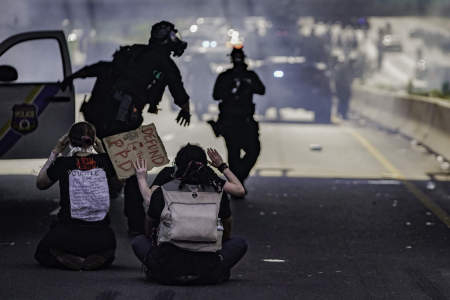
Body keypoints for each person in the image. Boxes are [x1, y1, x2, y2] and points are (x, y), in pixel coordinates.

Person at [61, 20, 192, 235]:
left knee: (98, 165)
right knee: (132, 172)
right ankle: (135, 225)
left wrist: (72, 77)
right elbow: (177, 88)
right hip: (122, 120)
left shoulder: (134, 52)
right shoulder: (163, 62)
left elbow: (103, 68)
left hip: (98, 117)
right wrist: (185, 109)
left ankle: (82, 215)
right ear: (167, 38)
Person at [131, 144, 247, 285]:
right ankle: (212, 271)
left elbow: (149, 222)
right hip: (207, 263)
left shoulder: (164, 189)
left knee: (139, 241)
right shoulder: (216, 189)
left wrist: (141, 178)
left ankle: (161, 271)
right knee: (239, 243)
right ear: (205, 166)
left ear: (177, 166)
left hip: (168, 263)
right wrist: (222, 166)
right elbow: (230, 218)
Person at [35, 122, 117, 270]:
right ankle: (97, 258)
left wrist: (55, 151)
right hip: (101, 238)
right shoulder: (106, 163)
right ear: (93, 141)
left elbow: (41, 183)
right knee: (109, 250)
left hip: (67, 237)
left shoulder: (63, 163)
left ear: (69, 141)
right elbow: (120, 182)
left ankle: (66, 258)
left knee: (42, 252)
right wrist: (103, 152)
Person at [208, 46, 265, 194]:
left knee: (253, 150)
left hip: (246, 120)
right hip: (230, 121)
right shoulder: (225, 76)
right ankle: (237, 184)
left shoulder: (250, 75)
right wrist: (230, 88)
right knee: (233, 153)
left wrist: (247, 82)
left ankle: (239, 177)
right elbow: (216, 95)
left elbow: (261, 90)